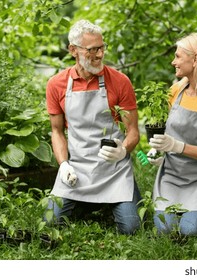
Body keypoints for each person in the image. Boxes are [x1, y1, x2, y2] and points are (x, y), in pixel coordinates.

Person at [45, 19, 141, 235]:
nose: (99, 55)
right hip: (77, 169)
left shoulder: (119, 81)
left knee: (131, 228)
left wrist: (123, 150)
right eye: (92, 50)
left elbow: (133, 132)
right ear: (73, 50)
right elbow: (57, 131)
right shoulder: (56, 84)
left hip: (114, 170)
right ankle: (97, 203)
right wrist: (63, 165)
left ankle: (113, 200)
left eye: (101, 48)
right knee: (51, 222)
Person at [146, 33, 197, 236]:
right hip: (171, 177)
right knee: (165, 228)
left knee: (189, 230)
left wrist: (178, 147)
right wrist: (156, 149)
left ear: (196, 59)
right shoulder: (175, 91)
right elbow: (166, 131)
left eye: (178, 56)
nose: (173, 61)